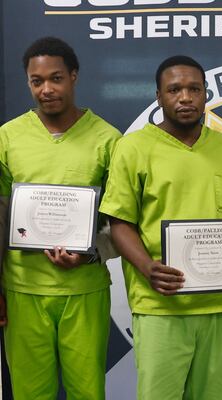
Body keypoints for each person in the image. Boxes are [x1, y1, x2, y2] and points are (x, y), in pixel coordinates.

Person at [99, 55, 222, 400]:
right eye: (174, 89)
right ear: (158, 96)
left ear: (206, 95)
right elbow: (119, 223)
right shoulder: (133, 148)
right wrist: (148, 268)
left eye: (194, 89)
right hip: (162, 303)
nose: (185, 97)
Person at [0, 37, 121, 399]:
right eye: (37, 81)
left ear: (74, 76)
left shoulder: (108, 140)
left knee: (88, 392)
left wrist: (92, 252)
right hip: (22, 288)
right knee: (29, 393)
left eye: (56, 78)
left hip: (84, 289)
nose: (47, 89)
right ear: (28, 83)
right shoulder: (8, 137)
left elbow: (121, 220)